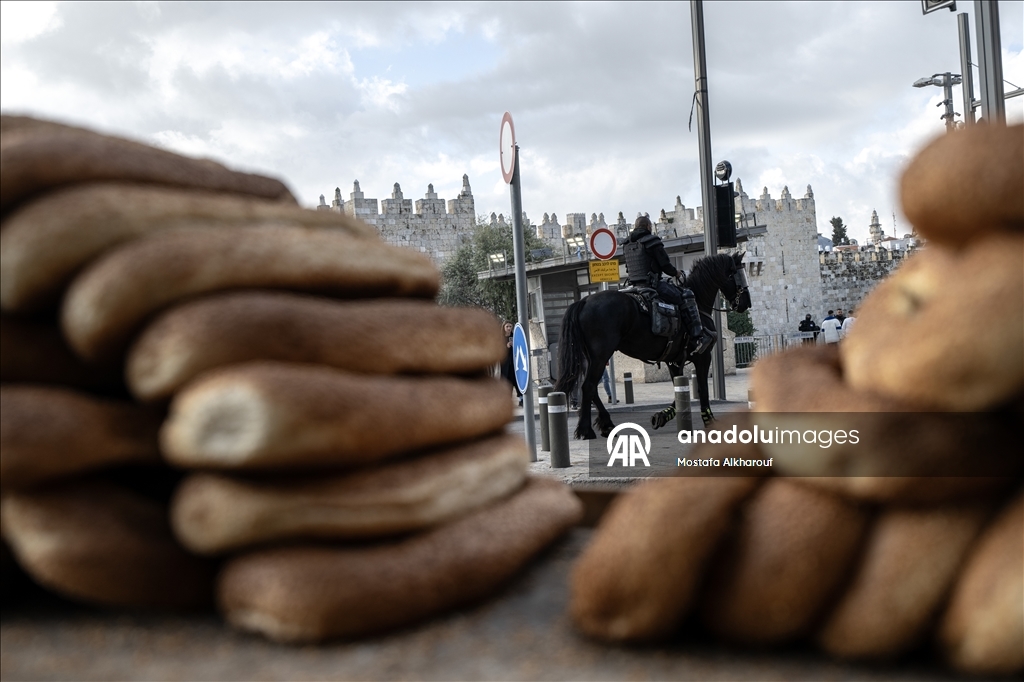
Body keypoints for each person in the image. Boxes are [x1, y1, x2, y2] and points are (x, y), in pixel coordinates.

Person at [622, 215, 713, 355]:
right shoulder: (651, 241)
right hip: (652, 286)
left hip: (633, 287)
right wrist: (676, 273)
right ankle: (698, 336)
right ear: (648, 227)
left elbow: (629, 268)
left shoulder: (627, 244)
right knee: (687, 295)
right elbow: (665, 265)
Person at [499, 321, 522, 404]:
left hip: (514, 363)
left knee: (516, 380)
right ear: (504, 328)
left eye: (510, 326)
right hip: (505, 364)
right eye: (507, 326)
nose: (509, 328)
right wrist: (506, 346)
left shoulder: (514, 336)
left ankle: (521, 398)